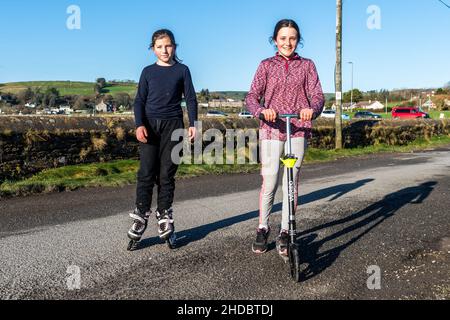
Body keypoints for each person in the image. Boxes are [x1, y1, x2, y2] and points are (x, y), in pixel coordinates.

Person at [246, 19, 325, 255]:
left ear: (298, 40)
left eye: (292, 38)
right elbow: (251, 96)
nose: (287, 43)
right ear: (275, 40)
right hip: (271, 129)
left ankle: (285, 232)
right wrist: (261, 111)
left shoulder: (307, 65)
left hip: (298, 128)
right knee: (270, 181)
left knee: (290, 183)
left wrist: (313, 109)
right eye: (283, 38)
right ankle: (263, 227)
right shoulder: (266, 65)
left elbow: (318, 96)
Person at [128, 29, 197, 245]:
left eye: (168, 46)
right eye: (159, 46)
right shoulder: (147, 71)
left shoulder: (182, 70)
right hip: (149, 126)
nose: (164, 50)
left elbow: (191, 99)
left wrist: (193, 124)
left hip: (174, 126)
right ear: (153, 49)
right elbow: (139, 100)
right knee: (146, 172)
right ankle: (141, 215)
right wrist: (139, 124)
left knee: (167, 173)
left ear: (174, 46)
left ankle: (164, 214)